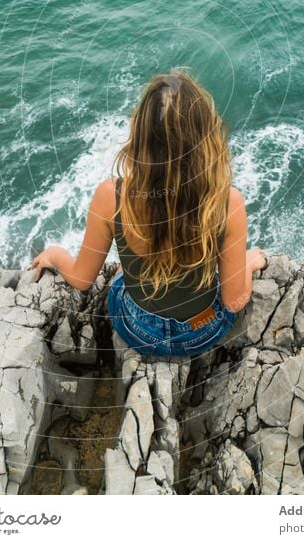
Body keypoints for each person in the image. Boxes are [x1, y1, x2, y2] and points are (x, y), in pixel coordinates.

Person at [30, 69, 267, 357]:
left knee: (120, 274)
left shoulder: (111, 196)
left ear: (140, 136)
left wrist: (55, 254)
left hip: (137, 329)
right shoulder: (228, 202)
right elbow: (233, 301)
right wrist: (248, 264)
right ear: (204, 137)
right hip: (201, 331)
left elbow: (82, 279)